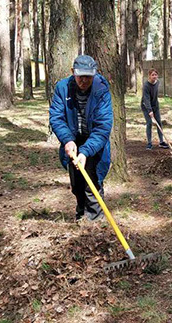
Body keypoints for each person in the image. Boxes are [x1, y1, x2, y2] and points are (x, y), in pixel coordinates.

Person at [49, 55, 113, 221]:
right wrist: (68, 140)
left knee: (92, 182)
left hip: (93, 143)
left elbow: (103, 127)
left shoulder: (101, 89)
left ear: (95, 74)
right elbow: (56, 117)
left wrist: (85, 152)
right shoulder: (62, 88)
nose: (84, 80)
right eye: (80, 76)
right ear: (73, 72)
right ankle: (81, 217)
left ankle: (96, 221)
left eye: (88, 77)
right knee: (77, 184)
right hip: (73, 141)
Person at [141, 69, 170, 150]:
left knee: (159, 122)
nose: (154, 76)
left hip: (155, 105)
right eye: (152, 75)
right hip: (146, 106)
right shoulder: (146, 85)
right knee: (149, 123)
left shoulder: (157, 82)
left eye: (156, 75)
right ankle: (149, 143)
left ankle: (161, 142)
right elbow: (146, 99)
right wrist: (149, 110)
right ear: (149, 76)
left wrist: (154, 108)